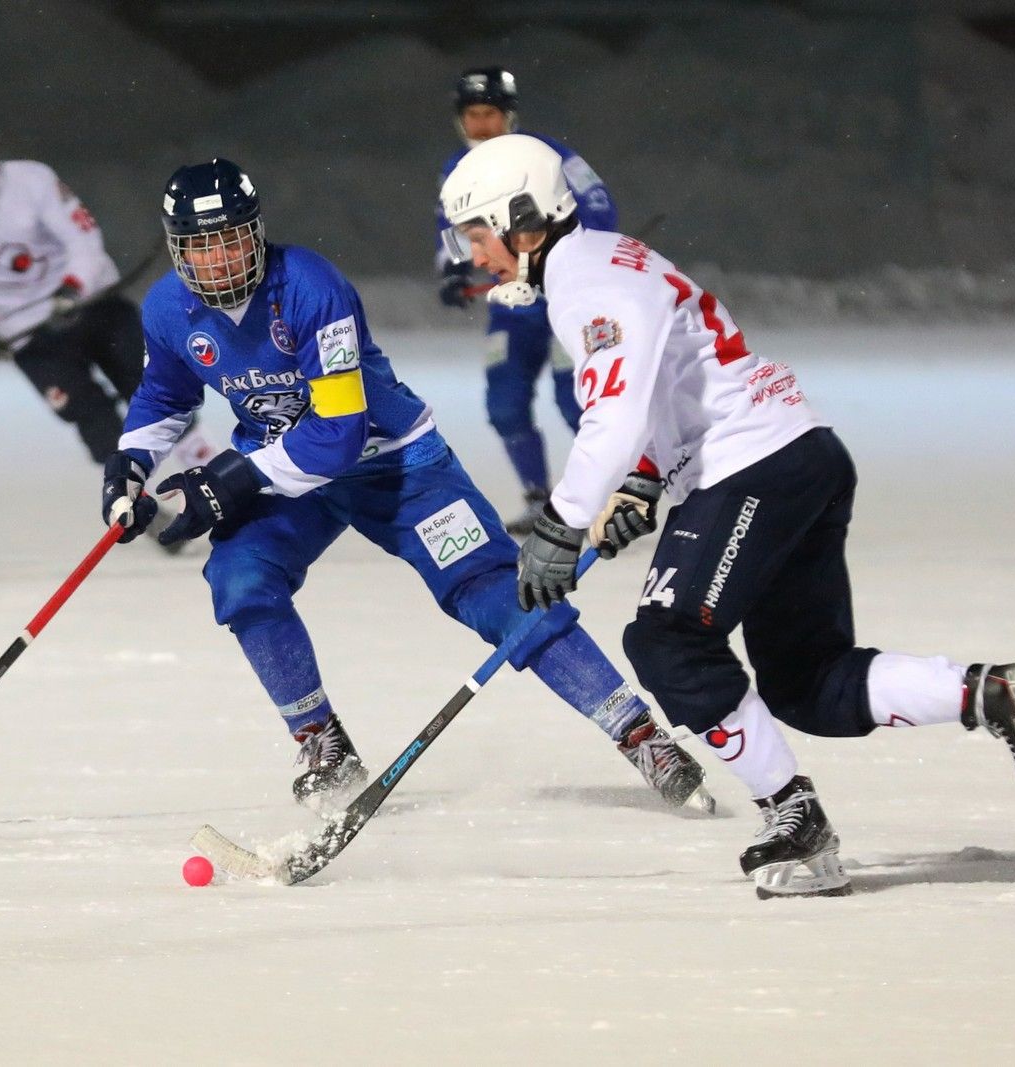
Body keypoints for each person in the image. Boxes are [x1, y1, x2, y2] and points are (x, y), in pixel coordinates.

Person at [440, 134, 1015, 899]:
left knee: (668, 639)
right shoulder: (607, 258)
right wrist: (648, 481)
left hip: (752, 466)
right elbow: (665, 387)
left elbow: (613, 410)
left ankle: (796, 820)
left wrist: (562, 522)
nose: (472, 258)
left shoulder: (584, 281)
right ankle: (1004, 694)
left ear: (522, 221)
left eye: (476, 235)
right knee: (808, 683)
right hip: (796, 456)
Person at [100, 157, 715, 813]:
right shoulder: (170, 306)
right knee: (240, 578)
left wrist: (228, 480)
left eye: (229, 239)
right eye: (199, 245)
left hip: (394, 463)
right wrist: (131, 461)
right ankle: (322, 743)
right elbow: (164, 392)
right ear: (177, 249)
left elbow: (337, 435)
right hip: (282, 474)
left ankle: (637, 731)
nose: (218, 259)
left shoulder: (310, 288)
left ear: (254, 234)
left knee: (496, 594)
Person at [0, 111, 212, 479]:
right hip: (29, 335)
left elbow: (81, 237)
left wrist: (71, 290)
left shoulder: (33, 181)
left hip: (93, 307)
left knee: (151, 387)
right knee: (87, 412)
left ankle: (208, 472)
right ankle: (131, 498)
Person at [435, 67, 619, 536]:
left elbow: (597, 204)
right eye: (472, 115)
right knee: (505, 403)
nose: (481, 125)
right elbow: (453, 231)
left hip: (564, 305)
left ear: (509, 115)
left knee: (575, 399)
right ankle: (538, 499)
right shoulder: (455, 168)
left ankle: (605, 498)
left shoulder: (550, 155)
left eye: (490, 113)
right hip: (510, 307)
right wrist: (454, 268)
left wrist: (580, 260)